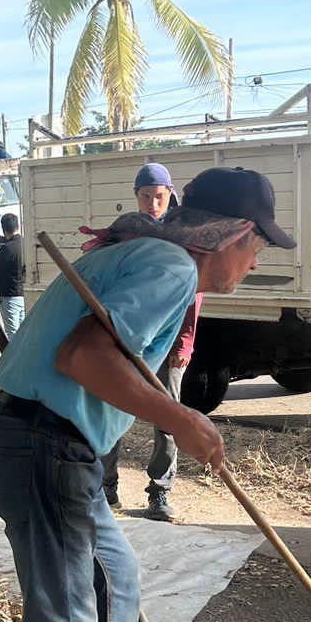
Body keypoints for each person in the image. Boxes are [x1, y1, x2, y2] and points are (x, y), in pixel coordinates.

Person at [0, 166, 295, 622]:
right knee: (64, 620)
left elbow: (94, 356)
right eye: (258, 246)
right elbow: (84, 357)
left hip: (53, 444)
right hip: (44, 445)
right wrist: (181, 420)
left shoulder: (143, 255)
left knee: (116, 575)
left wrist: (172, 415)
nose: (256, 260)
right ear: (235, 235)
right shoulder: (171, 266)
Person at [100, 162, 199, 522]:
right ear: (136, 196)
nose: (153, 204)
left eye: (159, 196)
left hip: (168, 341)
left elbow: (193, 294)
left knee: (168, 417)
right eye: (146, 197)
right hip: (128, 338)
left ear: (170, 194)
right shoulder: (128, 232)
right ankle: (106, 486)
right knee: (112, 410)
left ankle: (160, 491)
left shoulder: (182, 234)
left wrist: (185, 342)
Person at [0, 212, 26, 338]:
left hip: (9, 297)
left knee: (12, 334)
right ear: (17, 226)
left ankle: (16, 358)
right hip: (22, 294)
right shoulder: (25, 245)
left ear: (4, 229)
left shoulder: (7, 249)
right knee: (23, 333)